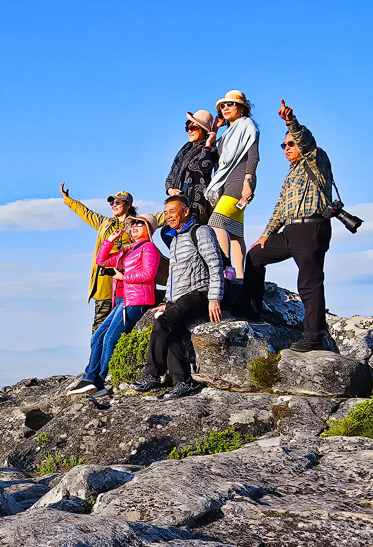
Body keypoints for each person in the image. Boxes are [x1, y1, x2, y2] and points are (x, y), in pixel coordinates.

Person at [244, 100, 334, 352]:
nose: (286, 148)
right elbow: (280, 208)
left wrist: (290, 122)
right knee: (255, 255)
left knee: (309, 282)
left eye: (290, 144)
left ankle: (314, 337)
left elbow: (305, 140)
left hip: (311, 228)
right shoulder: (291, 173)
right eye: (283, 145)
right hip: (289, 231)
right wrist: (266, 234)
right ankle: (251, 312)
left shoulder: (316, 159)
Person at [130, 196, 223, 400]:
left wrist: (214, 298)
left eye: (173, 211)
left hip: (200, 293)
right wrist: (167, 302)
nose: (169, 216)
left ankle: (152, 375)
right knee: (173, 331)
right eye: (166, 212)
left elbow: (216, 264)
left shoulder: (201, 231)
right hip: (180, 297)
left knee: (163, 324)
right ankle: (182, 382)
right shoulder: (175, 239)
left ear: (186, 211)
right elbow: (174, 275)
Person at [67, 214, 162, 396]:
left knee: (110, 338)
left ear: (149, 228)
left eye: (139, 224)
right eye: (132, 224)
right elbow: (101, 261)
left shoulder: (149, 248)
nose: (134, 227)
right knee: (97, 337)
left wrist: (123, 277)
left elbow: (149, 274)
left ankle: (100, 383)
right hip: (124, 301)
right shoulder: (129, 250)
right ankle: (89, 379)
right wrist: (110, 240)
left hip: (137, 301)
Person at [60, 183, 135, 331]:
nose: (114, 205)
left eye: (118, 202)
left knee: (124, 326)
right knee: (100, 325)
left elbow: (159, 218)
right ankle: (95, 354)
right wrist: (68, 200)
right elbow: (86, 213)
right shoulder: (104, 223)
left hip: (127, 282)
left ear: (128, 204)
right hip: (104, 282)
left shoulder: (137, 224)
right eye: (112, 202)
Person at [205, 90, 260, 278]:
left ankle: (225, 269)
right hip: (228, 181)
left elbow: (253, 157)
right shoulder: (228, 133)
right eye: (223, 105)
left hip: (240, 180)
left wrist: (248, 182)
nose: (225, 108)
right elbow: (217, 158)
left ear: (242, 108)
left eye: (231, 104)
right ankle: (240, 276)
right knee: (235, 231)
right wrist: (216, 130)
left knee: (216, 223)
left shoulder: (248, 126)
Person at [162, 108, 219, 243]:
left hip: (196, 203)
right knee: (167, 232)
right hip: (178, 201)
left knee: (191, 234)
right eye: (187, 127)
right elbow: (171, 172)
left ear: (204, 130)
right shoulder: (184, 149)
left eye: (193, 127)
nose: (189, 131)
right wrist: (170, 189)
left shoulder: (211, 149)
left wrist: (208, 144)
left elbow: (202, 167)